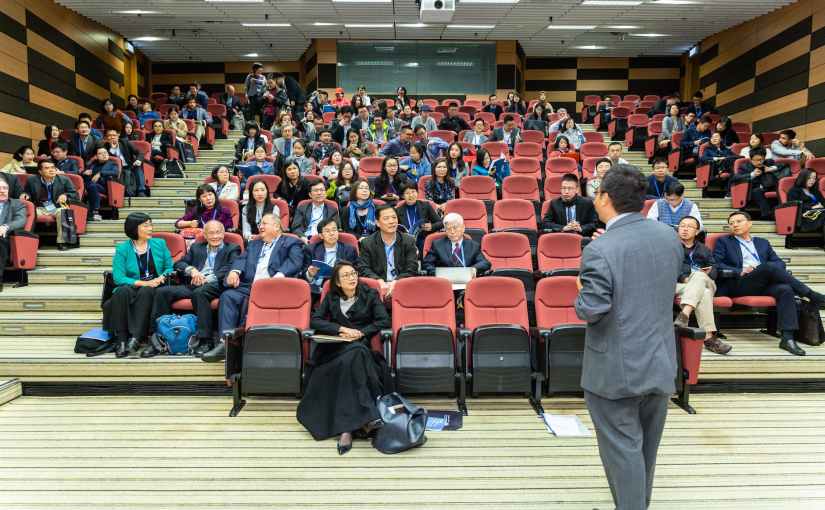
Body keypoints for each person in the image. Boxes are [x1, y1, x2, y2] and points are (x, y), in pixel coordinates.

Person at [575, 164, 682, 510]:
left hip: (615, 371)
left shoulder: (600, 249)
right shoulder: (669, 237)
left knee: (623, 453)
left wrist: (580, 289)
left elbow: (591, 309)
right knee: (644, 453)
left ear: (605, 198)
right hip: (661, 362)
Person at [297, 261, 390, 454]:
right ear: (337, 283)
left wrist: (360, 333)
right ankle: (366, 419)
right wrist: (340, 329)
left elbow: (383, 320)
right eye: (346, 275)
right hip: (335, 349)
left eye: (354, 273)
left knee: (356, 355)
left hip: (359, 347)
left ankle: (346, 429)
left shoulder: (370, 294)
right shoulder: (331, 297)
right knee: (353, 359)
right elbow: (316, 320)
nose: (352, 277)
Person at [714, 211, 825, 356]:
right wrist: (740, 270)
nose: (734, 225)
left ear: (750, 223)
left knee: (785, 289)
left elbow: (779, 263)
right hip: (739, 283)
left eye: (738, 221)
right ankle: (812, 295)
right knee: (768, 267)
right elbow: (716, 264)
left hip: (764, 283)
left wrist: (763, 270)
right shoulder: (724, 242)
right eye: (731, 223)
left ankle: (788, 338)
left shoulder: (762, 243)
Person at [204, 213, 305, 362]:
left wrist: (278, 278)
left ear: (277, 226)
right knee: (228, 296)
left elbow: (294, 262)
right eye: (260, 224)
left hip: (274, 288)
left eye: (264, 223)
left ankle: (237, 346)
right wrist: (234, 272)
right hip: (250, 285)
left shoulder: (291, 242)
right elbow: (241, 259)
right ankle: (225, 343)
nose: (260, 227)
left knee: (249, 303)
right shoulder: (254, 244)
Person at [148, 220, 241, 357]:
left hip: (218, 284)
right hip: (195, 282)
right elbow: (179, 263)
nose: (215, 236)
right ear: (205, 234)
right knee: (162, 292)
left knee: (200, 293)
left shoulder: (232, 248)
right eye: (211, 233)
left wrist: (208, 278)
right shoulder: (197, 247)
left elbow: (231, 267)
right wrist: (191, 270)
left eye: (218, 232)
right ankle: (158, 338)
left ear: (223, 233)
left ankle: (206, 340)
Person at [104, 213, 175, 358]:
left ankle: (136, 338)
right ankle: (122, 340)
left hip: (154, 286)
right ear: (134, 228)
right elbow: (118, 277)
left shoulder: (159, 243)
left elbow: (169, 267)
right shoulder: (123, 249)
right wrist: (144, 282)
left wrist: (161, 278)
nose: (150, 228)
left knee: (147, 291)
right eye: (146, 225)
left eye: (150, 224)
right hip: (132, 285)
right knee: (121, 292)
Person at [673, 216, 732, 354]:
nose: (685, 229)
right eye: (682, 226)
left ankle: (685, 314)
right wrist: (683, 277)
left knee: (700, 276)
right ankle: (709, 338)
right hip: (680, 284)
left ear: (697, 231)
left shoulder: (704, 249)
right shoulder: (671, 247)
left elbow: (714, 270)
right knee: (703, 292)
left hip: (706, 282)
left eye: (689, 226)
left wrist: (705, 274)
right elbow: (665, 267)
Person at [356, 205, 418, 297]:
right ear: (377, 223)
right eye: (386, 218)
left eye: (394, 217)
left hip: (403, 285)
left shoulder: (408, 241)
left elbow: (412, 267)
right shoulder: (367, 243)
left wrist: (397, 282)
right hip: (376, 289)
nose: (391, 221)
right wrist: (378, 281)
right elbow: (363, 268)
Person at [25, 160, 79, 250]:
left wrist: (65, 195)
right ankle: (28, 241)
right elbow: (27, 192)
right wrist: (25, 194)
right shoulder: (32, 180)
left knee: (64, 212)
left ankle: (62, 242)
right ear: (40, 171)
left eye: (52, 167)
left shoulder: (64, 179)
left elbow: (75, 194)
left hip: (57, 206)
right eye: (47, 168)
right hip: (40, 207)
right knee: (26, 213)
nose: (51, 170)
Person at [422, 212, 490, 275]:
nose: (452, 232)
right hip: (445, 282)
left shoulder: (473, 246)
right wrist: (439, 273)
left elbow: (485, 263)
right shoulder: (437, 245)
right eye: (448, 229)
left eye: (455, 228)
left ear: (463, 228)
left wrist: (471, 270)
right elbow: (426, 264)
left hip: (467, 281)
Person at [305, 218, 358, 295]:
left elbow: (356, 270)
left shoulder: (349, 250)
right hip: (316, 289)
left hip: (342, 288)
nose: (332, 233)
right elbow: (302, 272)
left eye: (334, 230)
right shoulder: (311, 249)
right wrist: (310, 274)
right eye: (327, 231)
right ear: (321, 236)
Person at [735, 148, 788, 218]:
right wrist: (752, 174)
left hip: (770, 186)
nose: (760, 162)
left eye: (761, 159)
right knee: (757, 191)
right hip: (752, 189)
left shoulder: (768, 162)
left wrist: (771, 168)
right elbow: (736, 178)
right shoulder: (744, 167)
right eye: (756, 160)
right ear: (751, 159)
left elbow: (784, 164)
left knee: (782, 189)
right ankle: (767, 214)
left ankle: (784, 212)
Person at [102, 128, 147, 197]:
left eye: (114, 135)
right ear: (106, 138)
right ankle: (124, 192)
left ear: (118, 136)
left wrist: (138, 160)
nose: (112, 137)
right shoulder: (104, 147)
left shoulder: (125, 142)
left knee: (138, 168)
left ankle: (141, 191)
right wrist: (112, 149)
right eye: (109, 135)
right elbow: (106, 160)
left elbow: (140, 153)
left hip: (129, 165)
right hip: (117, 169)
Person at [0, 179, 27, 291]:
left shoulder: (16, 204)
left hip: (6, 239)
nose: (2, 191)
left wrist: (5, 227)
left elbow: (21, 221)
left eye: (5, 188)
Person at [396, 185, 441, 249]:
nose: (411, 195)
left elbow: (440, 223)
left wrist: (432, 226)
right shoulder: (398, 210)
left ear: (417, 193)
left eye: (413, 192)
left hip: (423, 240)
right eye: (407, 193)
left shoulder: (426, 206)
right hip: (405, 241)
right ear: (402, 196)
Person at [85, 146, 120, 222]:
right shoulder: (93, 164)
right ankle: (94, 212)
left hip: (106, 187)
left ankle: (94, 212)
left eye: (105, 153)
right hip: (91, 185)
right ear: (96, 156)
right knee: (91, 186)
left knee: (92, 186)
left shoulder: (112, 164)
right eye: (100, 153)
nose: (104, 155)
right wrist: (84, 173)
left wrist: (100, 173)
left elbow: (115, 172)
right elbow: (84, 172)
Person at [787, 169, 825, 234]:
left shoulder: (815, 191)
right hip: (805, 218)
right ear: (803, 178)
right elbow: (794, 206)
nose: (812, 180)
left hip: (819, 213)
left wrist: (821, 206)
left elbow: (823, 202)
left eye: (814, 178)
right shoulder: (794, 191)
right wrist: (812, 207)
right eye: (810, 178)